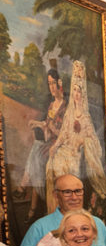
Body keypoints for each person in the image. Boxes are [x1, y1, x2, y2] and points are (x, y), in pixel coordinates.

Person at [44, 61, 106, 216]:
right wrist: (55, 145)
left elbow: (94, 141)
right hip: (66, 148)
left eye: (79, 91)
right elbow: (64, 133)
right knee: (52, 164)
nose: (76, 95)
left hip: (77, 153)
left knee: (69, 170)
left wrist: (83, 142)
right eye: (74, 91)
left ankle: (69, 209)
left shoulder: (85, 117)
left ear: (82, 94)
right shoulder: (69, 113)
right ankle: (56, 209)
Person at [19, 174, 106, 246]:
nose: (74, 197)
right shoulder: (39, 226)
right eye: (67, 192)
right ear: (56, 195)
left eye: (78, 191)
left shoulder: (97, 223)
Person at [20, 68, 66, 221]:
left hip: (60, 145)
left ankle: (25, 185)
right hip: (49, 141)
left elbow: (64, 133)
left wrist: (50, 128)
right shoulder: (52, 104)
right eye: (49, 84)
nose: (52, 87)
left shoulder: (65, 106)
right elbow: (47, 125)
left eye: (54, 83)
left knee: (37, 154)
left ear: (59, 83)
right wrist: (37, 123)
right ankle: (33, 202)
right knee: (37, 150)